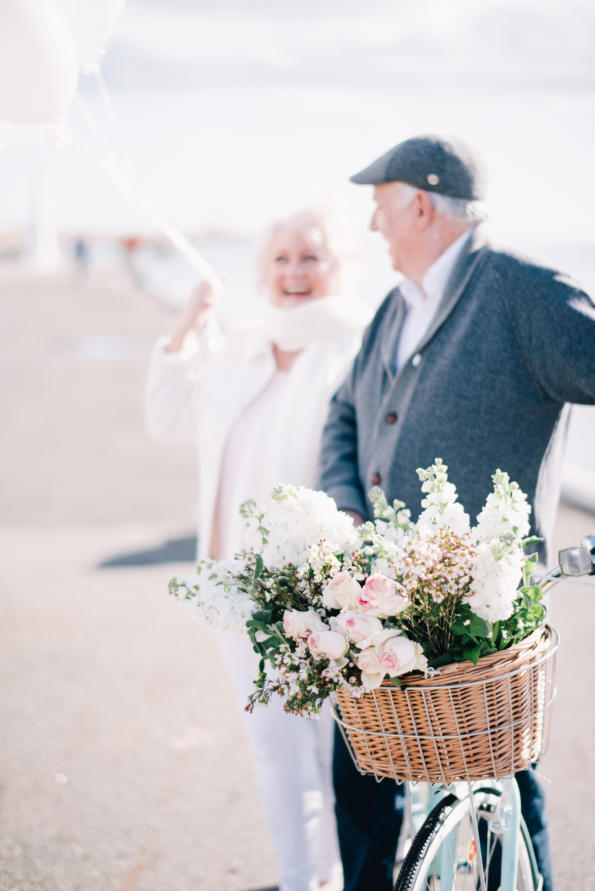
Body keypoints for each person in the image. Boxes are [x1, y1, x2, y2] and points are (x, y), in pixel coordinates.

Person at [318, 134, 595, 891]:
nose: (372, 227)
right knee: (362, 783)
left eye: (379, 207)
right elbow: (342, 412)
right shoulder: (393, 307)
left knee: (506, 788)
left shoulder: (520, 290)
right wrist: (345, 510)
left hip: (480, 612)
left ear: (417, 204)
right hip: (376, 606)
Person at [146, 208, 371, 891]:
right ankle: (306, 879)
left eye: (310, 257)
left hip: (313, 590)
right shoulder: (243, 345)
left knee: (341, 750)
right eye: (280, 259)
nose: (294, 272)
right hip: (231, 586)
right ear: (261, 272)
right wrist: (187, 326)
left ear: (338, 268)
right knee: (275, 747)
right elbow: (167, 420)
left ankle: (352, 874)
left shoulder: (352, 348)